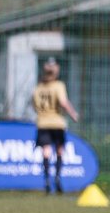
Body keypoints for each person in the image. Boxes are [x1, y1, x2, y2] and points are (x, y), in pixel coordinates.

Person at [32, 57, 79, 194]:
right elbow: (63, 102)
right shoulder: (58, 85)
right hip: (57, 123)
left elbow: (34, 105)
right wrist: (73, 113)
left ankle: (47, 180)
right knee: (59, 150)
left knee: (46, 152)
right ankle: (57, 178)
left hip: (42, 123)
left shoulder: (38, 88)